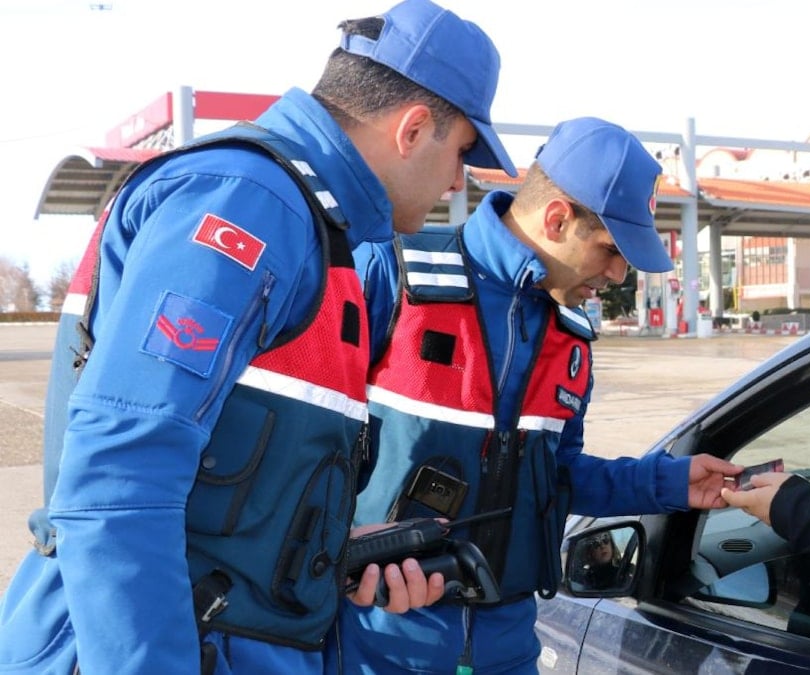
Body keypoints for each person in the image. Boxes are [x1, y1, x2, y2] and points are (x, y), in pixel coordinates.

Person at [0, 1, 517, 672]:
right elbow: (119, 477)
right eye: (462, 153)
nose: (456, 181)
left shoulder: (305, 222)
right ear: (413, 129)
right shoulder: (252, 203)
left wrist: (318, 544)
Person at [328, 116, 742, 674]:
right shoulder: (391, 274)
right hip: (372, 646)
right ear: (556, 218)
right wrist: (335, 547)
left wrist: (667, 482)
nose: (619, 275)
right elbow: (298, 452)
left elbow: (556, 475)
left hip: (511, 648)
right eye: (610, 249)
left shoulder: (570, 338)